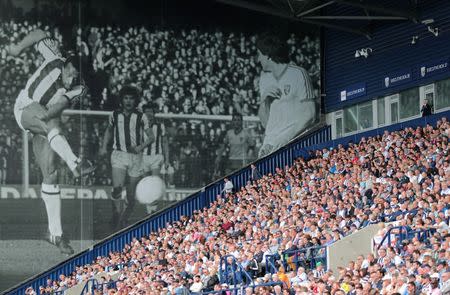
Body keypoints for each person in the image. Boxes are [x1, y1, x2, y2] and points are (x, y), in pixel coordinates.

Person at [7, 29, 94, 254]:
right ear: (66, 63)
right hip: (24, 108)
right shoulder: (54, 57)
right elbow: (39, 34)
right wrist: (17, 49)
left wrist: (48, 117)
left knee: (51, 174)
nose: (73, 77)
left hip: (46, 119)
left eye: (78, 74)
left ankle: (55, 234)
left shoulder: (79, 87)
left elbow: (59, 106)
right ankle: (75, 163)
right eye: (71, 71)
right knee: (51, 124)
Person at [100, 85, 153, 229]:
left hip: (136, 158)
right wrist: (104, 147)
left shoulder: (141, 116)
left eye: (131, 98)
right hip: (118, 155)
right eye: (125, 98)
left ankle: (124, 217)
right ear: (121, 100)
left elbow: (151, 137)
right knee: (117, 188)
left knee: (130, 196)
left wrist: (139, 147)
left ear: (135, 100)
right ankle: (116, 214)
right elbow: (108, 131)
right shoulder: (114, 115)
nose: (128, 101)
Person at [256, 33, 317, 157]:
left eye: (259, 55)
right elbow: (264, 122)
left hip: (292, 145)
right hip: (268, 146)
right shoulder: (264, 78)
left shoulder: (298, 74)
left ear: (268, 56)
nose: (258, 59)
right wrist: (264, 100)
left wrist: (283, 140)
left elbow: (310, 114)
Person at [140, 102, 169, 214]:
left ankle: (154, 208)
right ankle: (149, 208)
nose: (148, 114)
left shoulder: (160, 126)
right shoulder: (140, 126)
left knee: (154, 182)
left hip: (156, 157)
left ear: (154, 113)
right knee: (146, 182)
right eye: (146, 112)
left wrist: (167, 160)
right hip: (143, 157)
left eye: (150, 112)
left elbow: (165, 143)